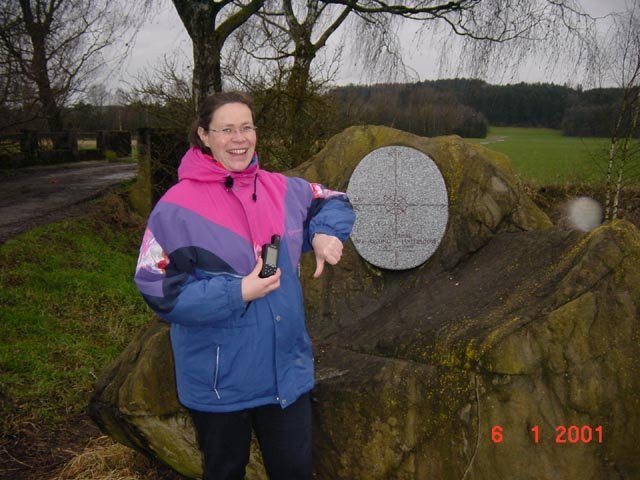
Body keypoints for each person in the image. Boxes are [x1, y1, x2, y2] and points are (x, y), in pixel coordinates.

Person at [134, 91, 355, 480]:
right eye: (227, 129)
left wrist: (322, 233)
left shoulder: (281, 189)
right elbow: (157, 289)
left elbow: (333, 199)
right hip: (220, 383)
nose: (240, 139)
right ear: (204, 135)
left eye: (247, 127)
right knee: (224, 471)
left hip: (286, 374)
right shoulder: (175, 208)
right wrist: (237, 293)